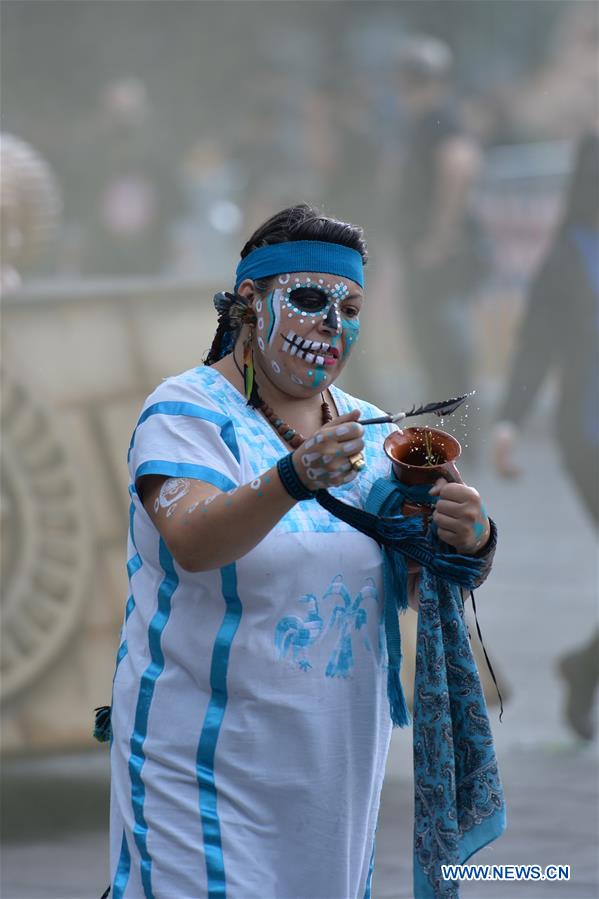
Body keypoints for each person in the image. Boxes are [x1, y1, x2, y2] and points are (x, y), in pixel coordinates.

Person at [107, 204, 496, 898]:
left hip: (332, 785)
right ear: (250, 304)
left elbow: (400, 582)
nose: (331, 323)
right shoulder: (186, 412)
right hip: (200, 774)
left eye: (348, 306)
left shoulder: (368, 432)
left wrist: (468, 538)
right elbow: (195, 542)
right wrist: (295, 475)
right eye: (310, 299)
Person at [492, 131, 599, 741]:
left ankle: (584, 668)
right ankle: (583, 672)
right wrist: (509, 419)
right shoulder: (569, 259)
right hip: (590, 437)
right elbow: (535, 345)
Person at [394, 36, 488, 411]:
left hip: (440, 252)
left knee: (444, 340)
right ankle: (447, 417)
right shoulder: (425, 122)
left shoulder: (440, 120)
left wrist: (440, 235)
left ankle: (459, 422)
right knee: (431, 340)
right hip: (427, 248)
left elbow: (459, 166)